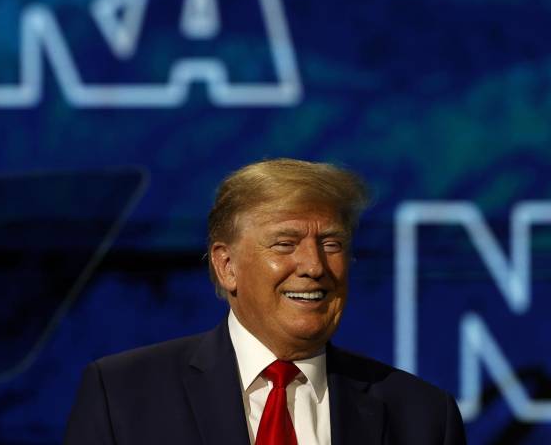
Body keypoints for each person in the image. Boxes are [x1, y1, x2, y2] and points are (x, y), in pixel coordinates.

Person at [64, 159, 466, 444]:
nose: (314, 266)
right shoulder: (123, 395)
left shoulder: (424, 417)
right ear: (227, 266)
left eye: (332, 244)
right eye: (285, 244)